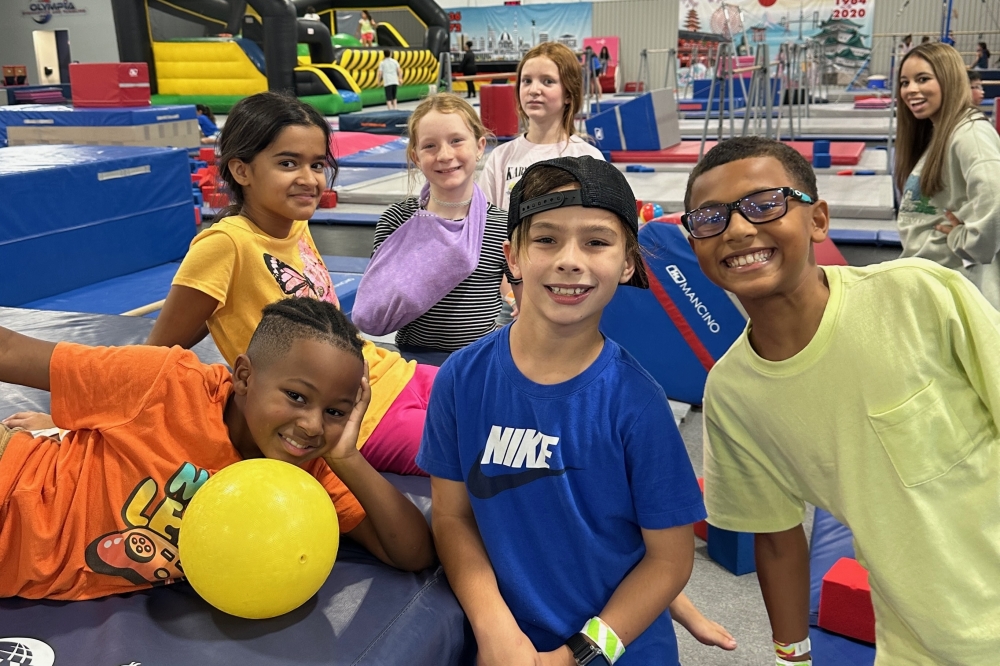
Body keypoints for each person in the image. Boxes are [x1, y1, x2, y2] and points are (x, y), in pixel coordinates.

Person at [682, 135, 1000, 664]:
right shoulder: (733, 393)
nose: (738, 229)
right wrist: (791, 656)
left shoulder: (918, 296)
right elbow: (777, 538)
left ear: (818, 221)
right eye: (710, 217)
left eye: (765, 205)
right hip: (916, 645)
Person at [4, 92, 434, 478]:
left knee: (496, 390)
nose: (310, 178)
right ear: (241, 170)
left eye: (317, 164)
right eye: (288, 163)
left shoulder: (294, 225)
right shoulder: (226, 244)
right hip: (362, 417)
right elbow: (155, 356)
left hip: (390, 371)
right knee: (484, 445)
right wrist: (71, 421)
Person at [419, 156, 711, 666]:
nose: (569, 260)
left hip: (616, 650)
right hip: (505, 647)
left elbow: (669, 561)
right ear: (512, 255)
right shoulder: (461, 380)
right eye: (547, 239)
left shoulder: (637, 403)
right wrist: (493, 627)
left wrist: (579, 654)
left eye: (596, 242)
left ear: (627, 262)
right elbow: (452, 516)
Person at [0, 296, 436, 600]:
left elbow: (413, 553)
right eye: (297, 397)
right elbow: (12, 349)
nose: (311, 425)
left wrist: (346, 456)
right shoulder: (165, 383)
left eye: (335, 412)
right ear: (244, 376)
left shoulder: (311, 472)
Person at [352, 94, 514, 362]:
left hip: (479, 360)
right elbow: (375, 300)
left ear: (479, 146)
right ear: (416, 156)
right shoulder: (397, 220)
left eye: (456, 140)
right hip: (414, 361)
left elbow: (516, 294)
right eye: (430, 146)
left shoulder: (500, 224)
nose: (445, 155)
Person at [895, 42, 1000, 308]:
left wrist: (965, 240)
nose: (911, 90)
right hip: (930, 285)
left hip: (957, 293)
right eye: (905, 82)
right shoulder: (938, 133)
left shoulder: (970, 133)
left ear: (949, 79)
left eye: (922, 79)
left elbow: (995, 197)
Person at [479, 42, 604, 211]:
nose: (534, 90)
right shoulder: (500, 158)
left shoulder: (588, 157)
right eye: (527, 81)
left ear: (568, 93)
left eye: (547, 81)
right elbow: (485, 221)